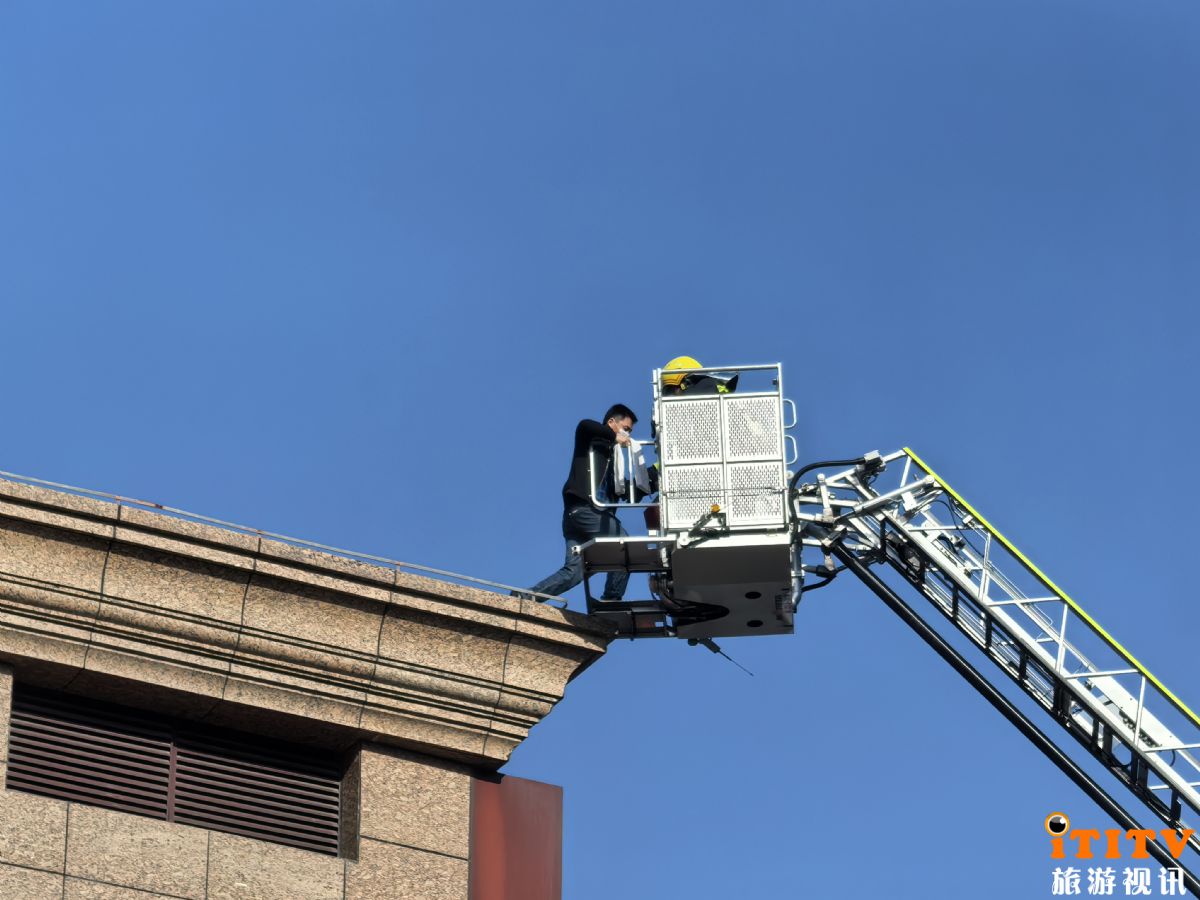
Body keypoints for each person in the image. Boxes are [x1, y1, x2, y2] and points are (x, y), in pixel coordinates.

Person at [522, 404, 638, 603]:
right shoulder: (591, 441)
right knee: (624, 545)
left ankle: (525, 598)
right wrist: (613, 437)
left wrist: (654, 473)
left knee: (574, 572)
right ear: (612, 422)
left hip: (579, 519)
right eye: (626, 428)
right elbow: (584, 425)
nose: (627, 435)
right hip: (585, 510)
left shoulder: (612, 461)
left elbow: (628, 490)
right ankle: (612, 599)